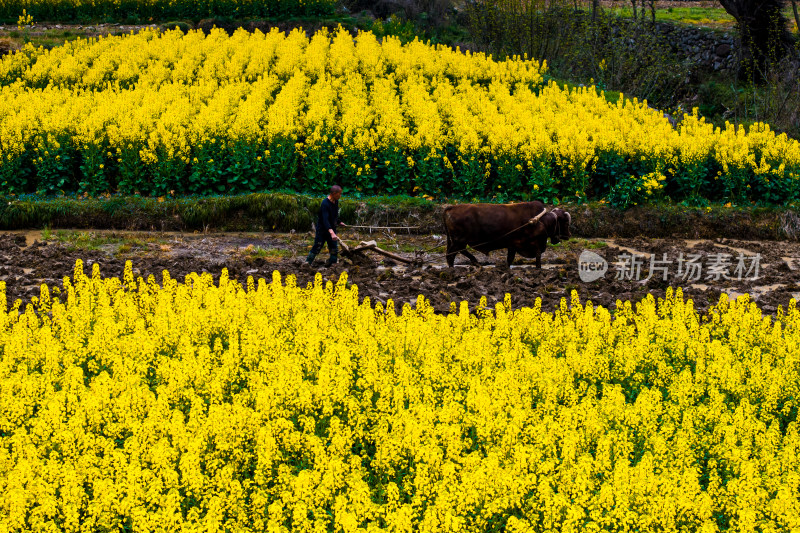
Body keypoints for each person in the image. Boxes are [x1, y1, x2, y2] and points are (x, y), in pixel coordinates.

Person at [307, 185, 347, 267]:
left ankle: (333, 265)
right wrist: (331, 232)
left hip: (331, 229)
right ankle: (307, 263)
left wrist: (339, 222)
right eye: (339, 194)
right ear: (334, 193)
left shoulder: (336, 202)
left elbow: (333, 216)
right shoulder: (325, 203)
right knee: (317, 247)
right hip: (322, 230)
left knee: (334, 248)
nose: (340, 195)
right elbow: (325, 219)